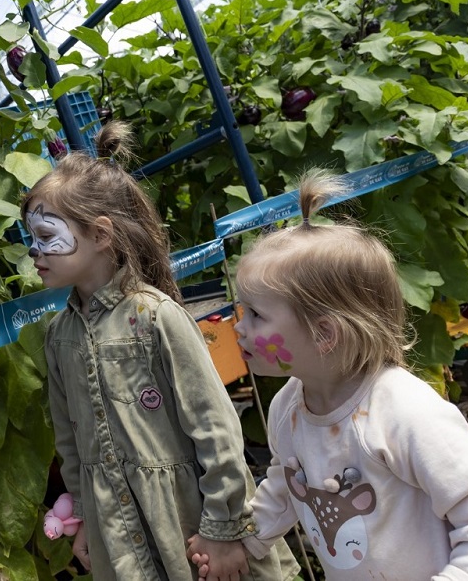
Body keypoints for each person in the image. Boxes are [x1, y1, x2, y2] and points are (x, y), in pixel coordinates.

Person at [189, 170, 468, 579]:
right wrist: (240, 540)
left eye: (256, 314)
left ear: (324, 333)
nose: (238, 326)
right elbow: (289, 483)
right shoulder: (289, 405)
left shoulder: (406, 413)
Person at [21, 121, 298, 581]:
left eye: (47, 235)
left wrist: (225, 527)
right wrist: (85, 517)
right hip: (117, 531)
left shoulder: (156, 316)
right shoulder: (58, 336)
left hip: (191, 524)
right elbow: (68, 440)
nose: (34, 250)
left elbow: (214, 427)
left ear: (102, 235)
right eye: (31, 236)